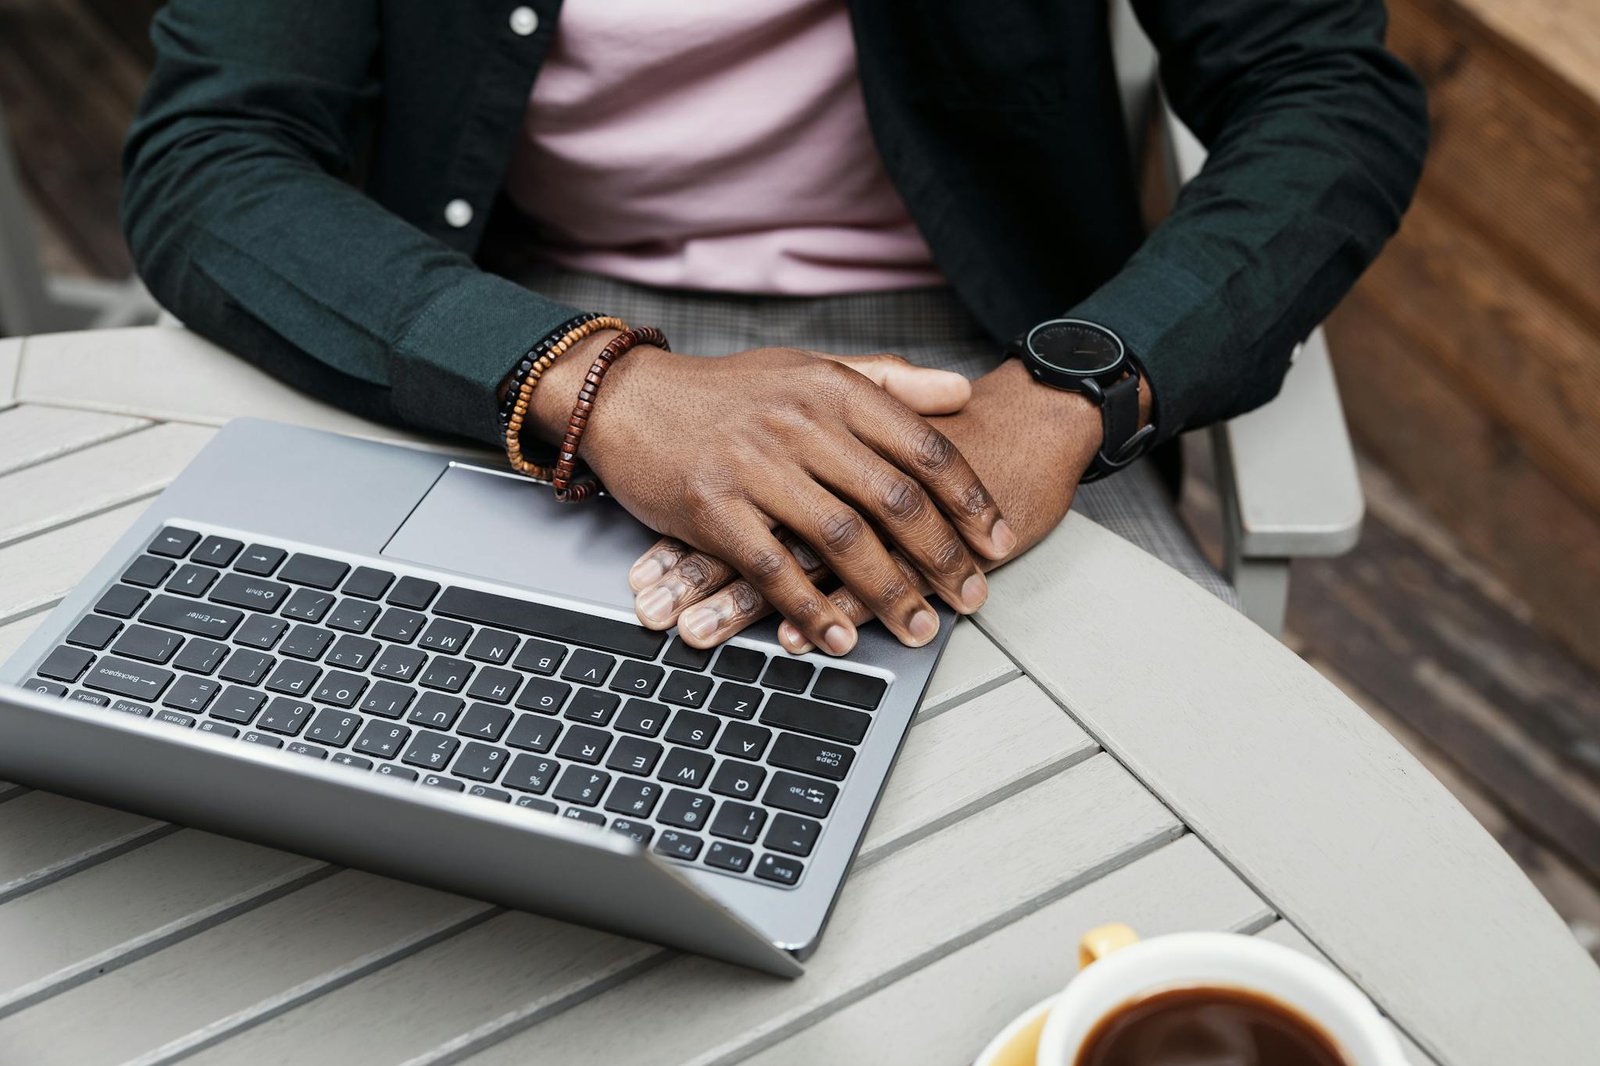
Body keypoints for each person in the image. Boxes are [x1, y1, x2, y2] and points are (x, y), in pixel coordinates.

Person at [121, 0, 1428, 656]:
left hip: (994, 365)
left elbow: (1323, 90)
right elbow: (215, 154)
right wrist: (600, 387)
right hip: (524, 334)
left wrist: (1072, 390)